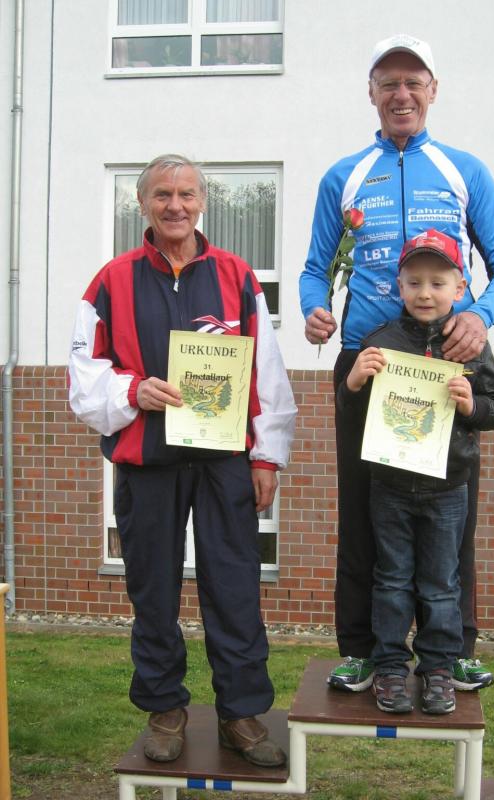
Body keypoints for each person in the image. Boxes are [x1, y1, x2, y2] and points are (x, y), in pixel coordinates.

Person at [299, 33, 494, 692]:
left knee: (453, 510)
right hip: (368, 360)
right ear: (370, 93)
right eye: (388, 83)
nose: (401, 94)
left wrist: (479, 317)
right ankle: (363, 650)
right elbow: (315, 268)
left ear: (432, 91)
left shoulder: (464, 171)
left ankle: (451, 651)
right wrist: (315, 309)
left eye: (413, 82)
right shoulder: (343, 176)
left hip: (448, 356)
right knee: (363, 511)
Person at [68, 154, 297, 766]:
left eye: (187, 194)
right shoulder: (111, 281)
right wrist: (131, 391)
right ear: (142, 203)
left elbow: (267, 373)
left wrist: (266, 456)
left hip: (223, 464)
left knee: (235, 588)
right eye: (163, 194)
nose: (176, 205)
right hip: (148, 463)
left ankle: (240, 713)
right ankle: (165, 710)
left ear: (202, 202)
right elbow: (83, 381)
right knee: (153, 591)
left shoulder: (237, 275)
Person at [337, 229, 494, 714]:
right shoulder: (380, 343)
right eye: (414, 283)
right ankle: (390, 668)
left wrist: (471, 405)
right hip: (389, 487)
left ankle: (437, 669)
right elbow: (353, 417)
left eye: (438, 283)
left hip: (449, 488)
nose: (425, 293)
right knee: (391, 580)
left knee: (441, 584)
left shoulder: (471, 346)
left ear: (460, 288)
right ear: (399, 286)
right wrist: (354, 382)